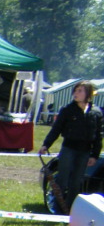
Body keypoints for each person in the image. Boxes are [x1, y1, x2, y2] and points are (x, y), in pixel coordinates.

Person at [39, 81, 103, 213]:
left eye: (80, 91)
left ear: (88, 94)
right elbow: (56, 129)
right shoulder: (67, 110)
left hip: (85, 151)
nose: (76, 93)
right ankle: (56, 209)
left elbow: (98, 135)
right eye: (76, 90)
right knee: (62, 180)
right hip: (69, 148)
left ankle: (70, 211)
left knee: (76, 182)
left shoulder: (96, 112)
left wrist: (94, 155)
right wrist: (46, 144)